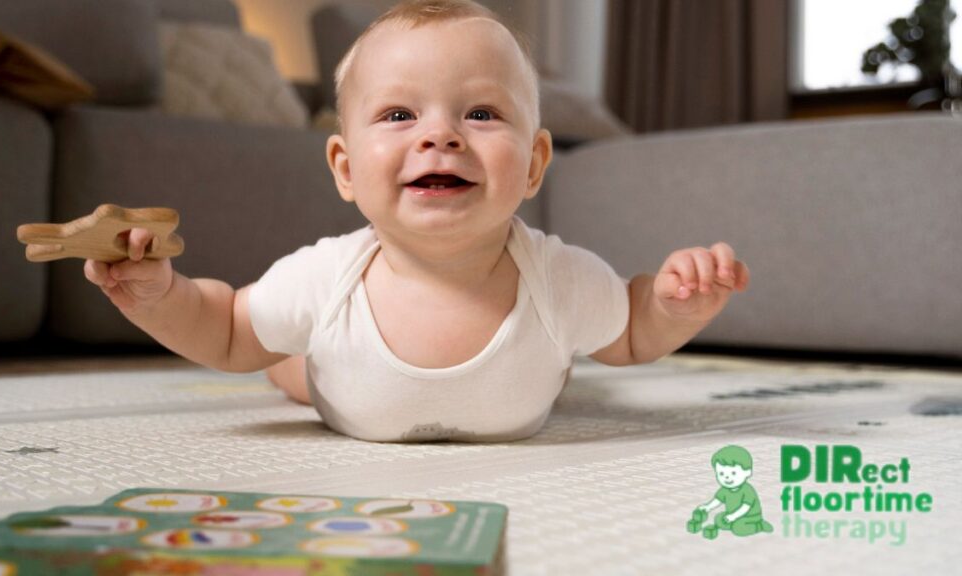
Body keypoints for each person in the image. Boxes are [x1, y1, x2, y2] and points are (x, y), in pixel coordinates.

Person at [84, 0, 749, 442]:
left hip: (532, 350)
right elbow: (226, 329)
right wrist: (160, 296)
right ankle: (297, 363)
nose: (441, 136)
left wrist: (675, 305)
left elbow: (630, 332)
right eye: (400, 115)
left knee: (565, 348)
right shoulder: (326, 279)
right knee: (287, 360)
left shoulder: (557, 277)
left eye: (481, 113)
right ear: (345, 169)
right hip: (342, 373)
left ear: (535, 163)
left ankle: (550, 363)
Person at [691, 445, 773, 538]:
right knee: (718, 519)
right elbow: (717, 500)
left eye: (733, 473)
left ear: (748, 472)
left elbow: (745, 507)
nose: (727, 477)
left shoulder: (747, 490)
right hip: (732, 515)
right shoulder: (724, 490)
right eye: (721, 473)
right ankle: (732, 524)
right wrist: (707, 507)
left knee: (738, 529)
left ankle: (759, 525)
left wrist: (733, 516)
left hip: (749, 517)